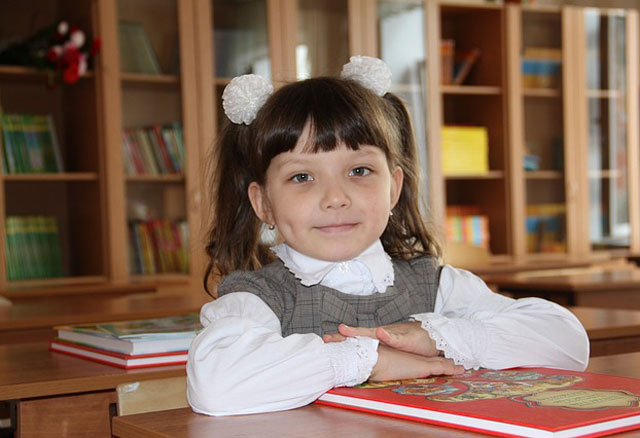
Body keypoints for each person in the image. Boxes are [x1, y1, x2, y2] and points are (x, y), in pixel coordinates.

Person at [187, 56, 589, 417]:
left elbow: (569, 344)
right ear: (263, 203)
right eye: (302, 176)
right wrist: (368, 360)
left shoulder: (435, 285)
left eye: (359, 171)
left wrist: (437, 337)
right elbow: (214, 384)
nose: (335, 198)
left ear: (393, 188)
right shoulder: (257, 299)